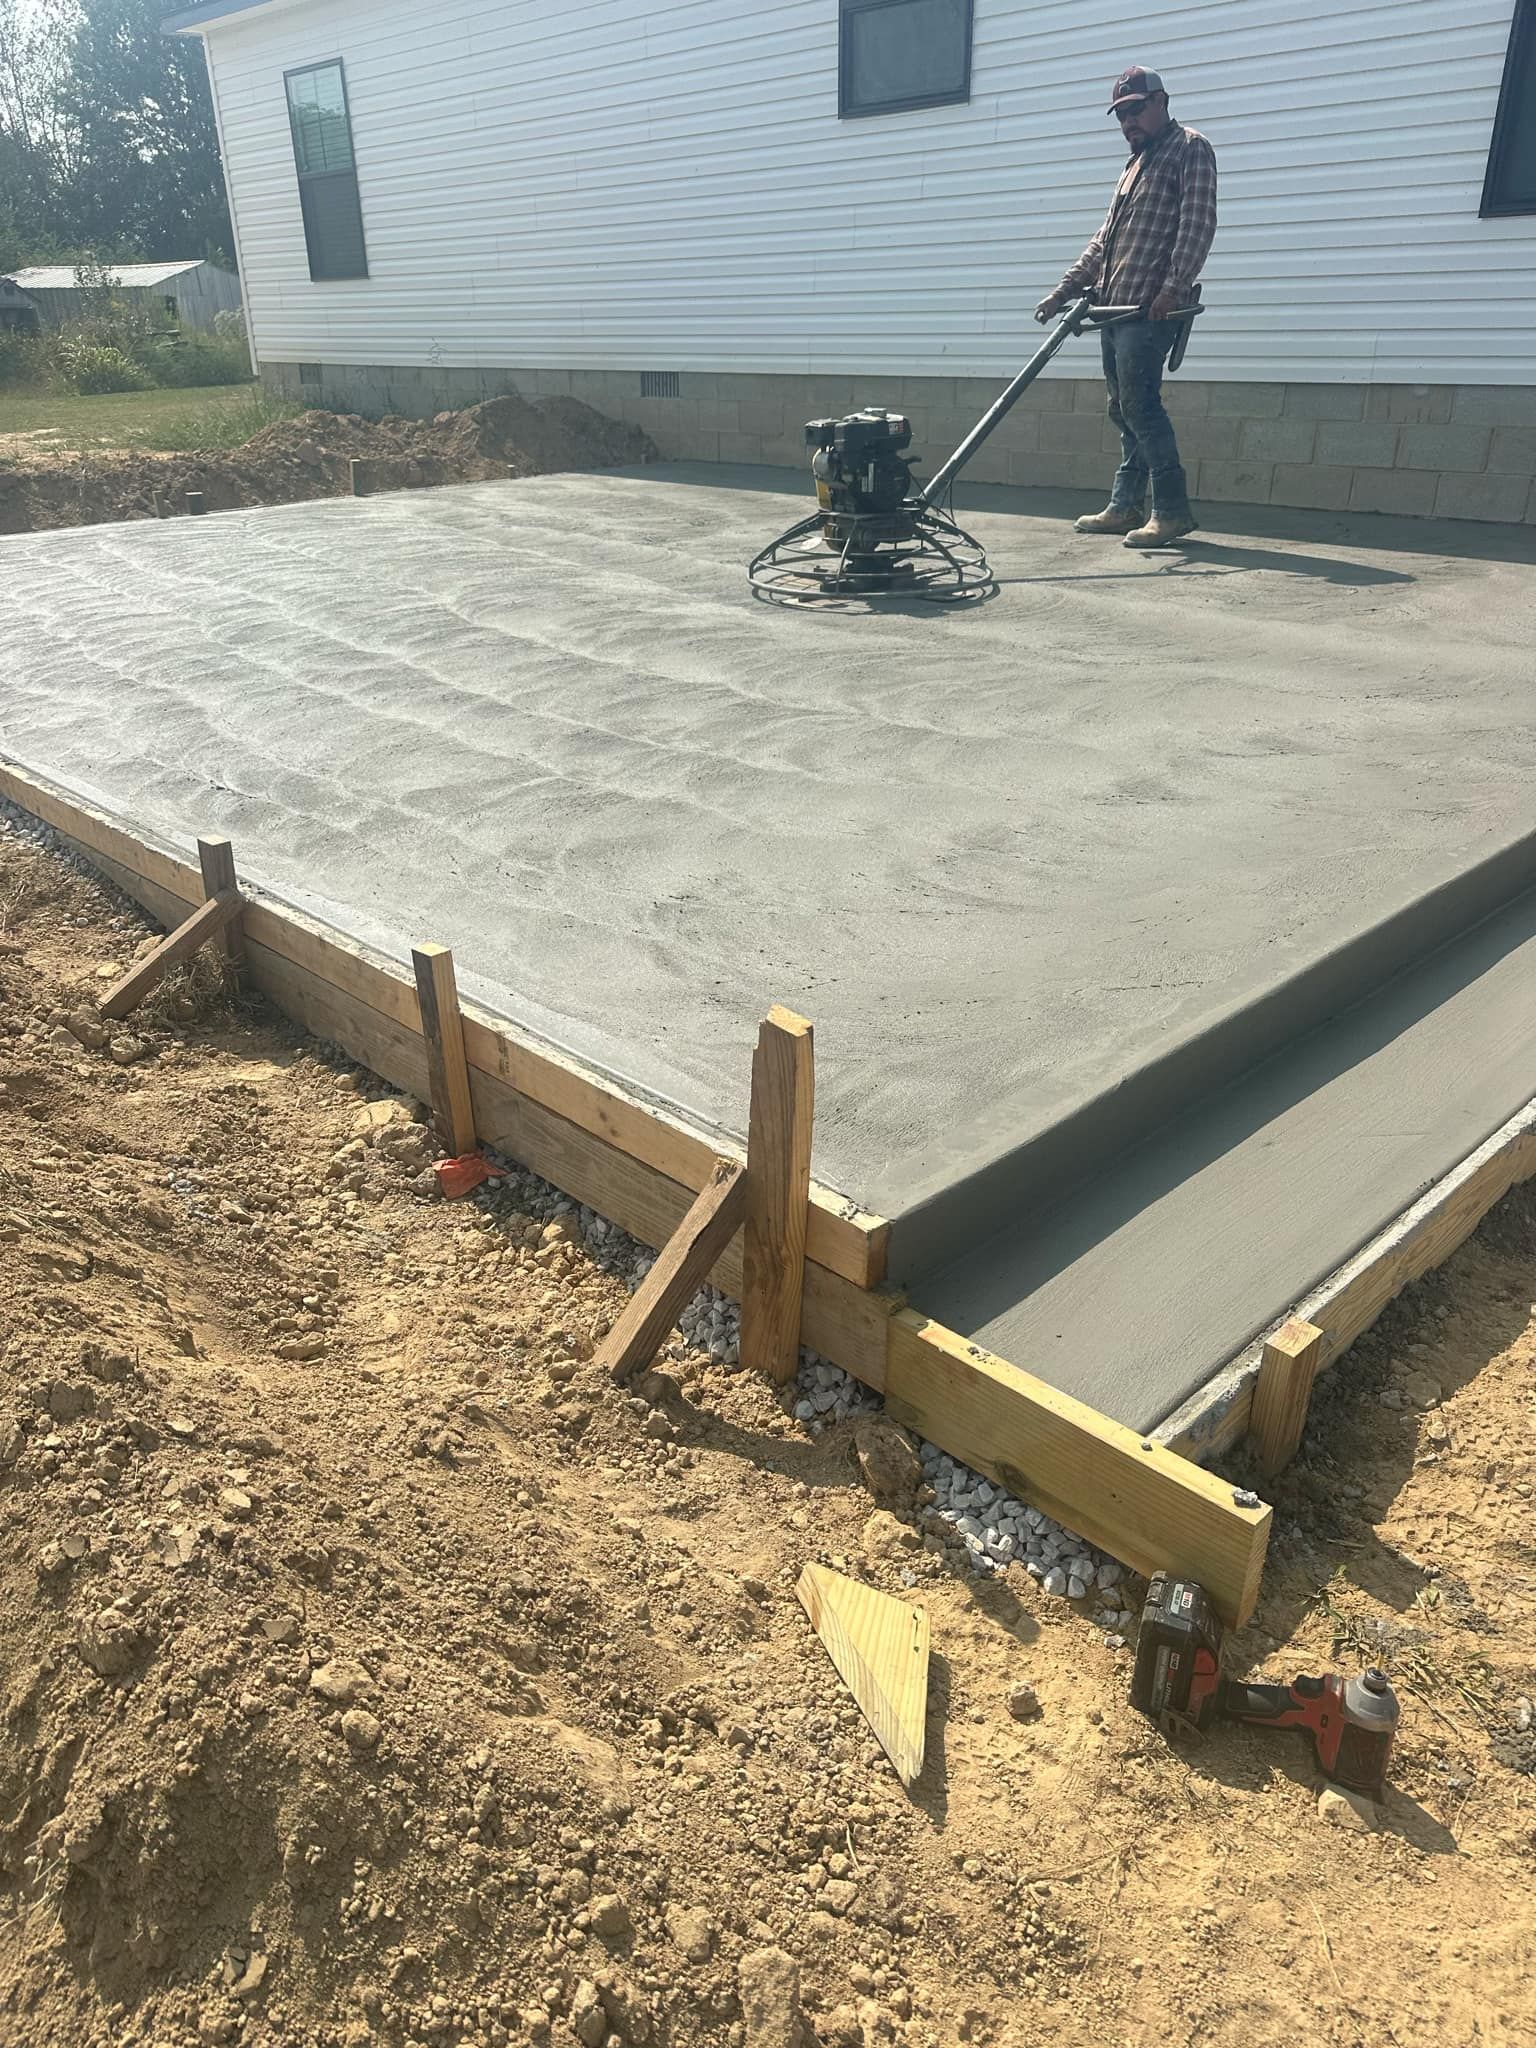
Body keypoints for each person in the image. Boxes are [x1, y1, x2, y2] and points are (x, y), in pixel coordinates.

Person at [1035, 66, 1217, 549]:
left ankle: (1172, 512)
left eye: (1135, 109)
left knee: (1142, 407)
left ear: (1161, 101)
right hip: (1112, 309)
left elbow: (1197, 224)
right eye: (1120, 115)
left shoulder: (1190, 148)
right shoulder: (1134, 166)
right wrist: (1064, 290)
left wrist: (1173, 289)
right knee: (1123, 409)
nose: (1128, 122)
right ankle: (1124, 505)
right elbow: (1104, 241)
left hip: (1148, 310)